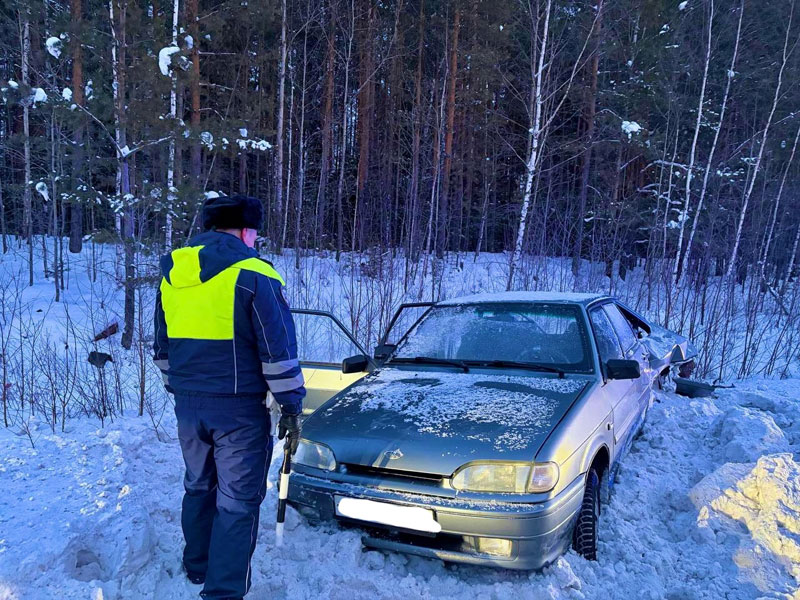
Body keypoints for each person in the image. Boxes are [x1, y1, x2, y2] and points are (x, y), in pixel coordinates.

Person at [152, 195, 305, 600]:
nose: (255, 239)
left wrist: (183, 391)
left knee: (198, 485)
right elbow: (277, 352)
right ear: (244, 230)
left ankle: (198, 565)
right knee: (238, 501)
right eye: (253, 232)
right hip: (239, 411)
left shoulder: (173, 275)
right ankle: (223, 592)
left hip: (188, 407)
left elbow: (162, 349)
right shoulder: (255, 274)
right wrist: (291, 405)